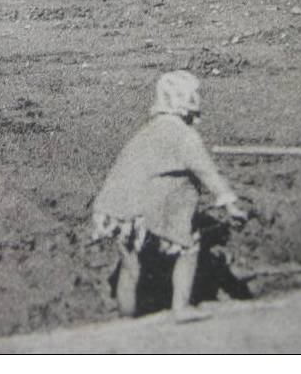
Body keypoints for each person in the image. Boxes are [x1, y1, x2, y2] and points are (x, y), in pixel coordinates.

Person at [93, 71, 248, 323]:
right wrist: (231, 205)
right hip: (148, 206)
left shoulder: (146, 132)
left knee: (131, 264)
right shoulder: (185, 136)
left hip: (114, 205)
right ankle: (181, 307)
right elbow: (207, 172)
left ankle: (125, 321)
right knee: (190, 246)